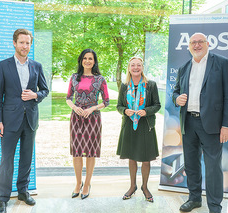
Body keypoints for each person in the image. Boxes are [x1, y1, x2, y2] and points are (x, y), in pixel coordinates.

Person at [172, 32, 228, 213]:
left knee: (213, 166)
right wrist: (177, 98)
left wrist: (227, 125)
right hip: (188, 122)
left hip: (212, 125)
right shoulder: (184, 67)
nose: (197, 45)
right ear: (189, 46)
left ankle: (215, 207)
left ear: (208, 44)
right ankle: (194, 198)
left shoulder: (221, 63)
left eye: (200, 42)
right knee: (190, 164)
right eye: (193, 42)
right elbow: (175, 90)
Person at [0, 29, 49, 213]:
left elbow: (45, 90)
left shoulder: (36, 66)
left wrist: (35, 95)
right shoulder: (3, 66)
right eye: (22, 42)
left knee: (26, 158)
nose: (25, 46)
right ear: (14, 43)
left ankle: (23, 192)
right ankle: (2, 198)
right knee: (6, 160)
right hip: (9, 122)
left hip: (30, 120)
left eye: (28, 43)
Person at [66, 49, 109, 200]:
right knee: (77, 152)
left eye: (90, 58)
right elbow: (68, 98)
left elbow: (106, 102)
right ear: (81, 60)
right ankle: (78, 183)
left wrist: (92, 108)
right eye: (85, 58)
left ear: (94, 61)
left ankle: (87, 184)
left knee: (90, 152)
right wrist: (75, 108)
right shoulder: (74, 78)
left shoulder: (100, 79)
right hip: (76, 118)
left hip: (93, 119)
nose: (87, 61)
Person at [117, 57, 161, 203]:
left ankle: (145, 187)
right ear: (129, 68)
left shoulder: (151, 85)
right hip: (129, 125)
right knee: (131, 157)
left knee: (146, 159)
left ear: (142, 67)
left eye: (139, 65)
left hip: (145, 125)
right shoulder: (124, 86)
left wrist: (146, 111)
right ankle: (132, 186)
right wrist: (125, 111)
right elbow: (119, 106)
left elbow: (157, 105)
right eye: (133, 65)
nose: (136, 67)